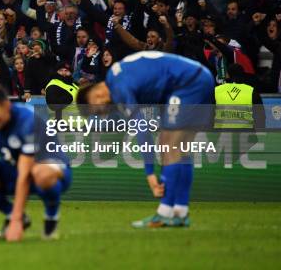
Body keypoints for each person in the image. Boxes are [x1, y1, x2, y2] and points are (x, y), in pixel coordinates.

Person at [77, 51, 215, 228]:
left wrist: (150, 173)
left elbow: (142, 130)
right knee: (180, 148)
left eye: (97, 111)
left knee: (168, 143)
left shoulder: (118, 87)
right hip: (199, 76)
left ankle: (164, 213)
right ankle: (180, 212)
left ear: (95, 97)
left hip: (187, 83)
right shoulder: (117, 76)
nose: (103, 113)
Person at [0, 82, 72, 241]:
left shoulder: (27, 120)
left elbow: (25, 173)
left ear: (6, 105)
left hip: (50, 169)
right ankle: (14, 214)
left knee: (40, 173)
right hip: (14, 169)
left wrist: (15, 223)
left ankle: (51, 216)